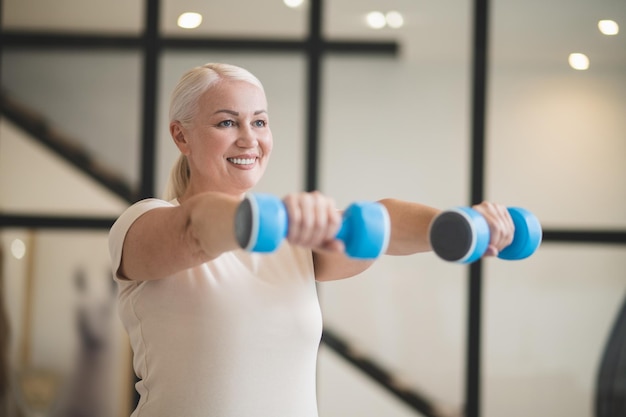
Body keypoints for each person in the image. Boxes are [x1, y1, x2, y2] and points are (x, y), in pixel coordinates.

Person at [108, 62, 514, 417]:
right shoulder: (144, 221)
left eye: (260, 121)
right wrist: (274, 216)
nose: (249, 139)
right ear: (181, 137)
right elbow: (196, 227)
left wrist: (462, 223)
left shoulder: (291, 240)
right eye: (227, 122)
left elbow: (380, 223)